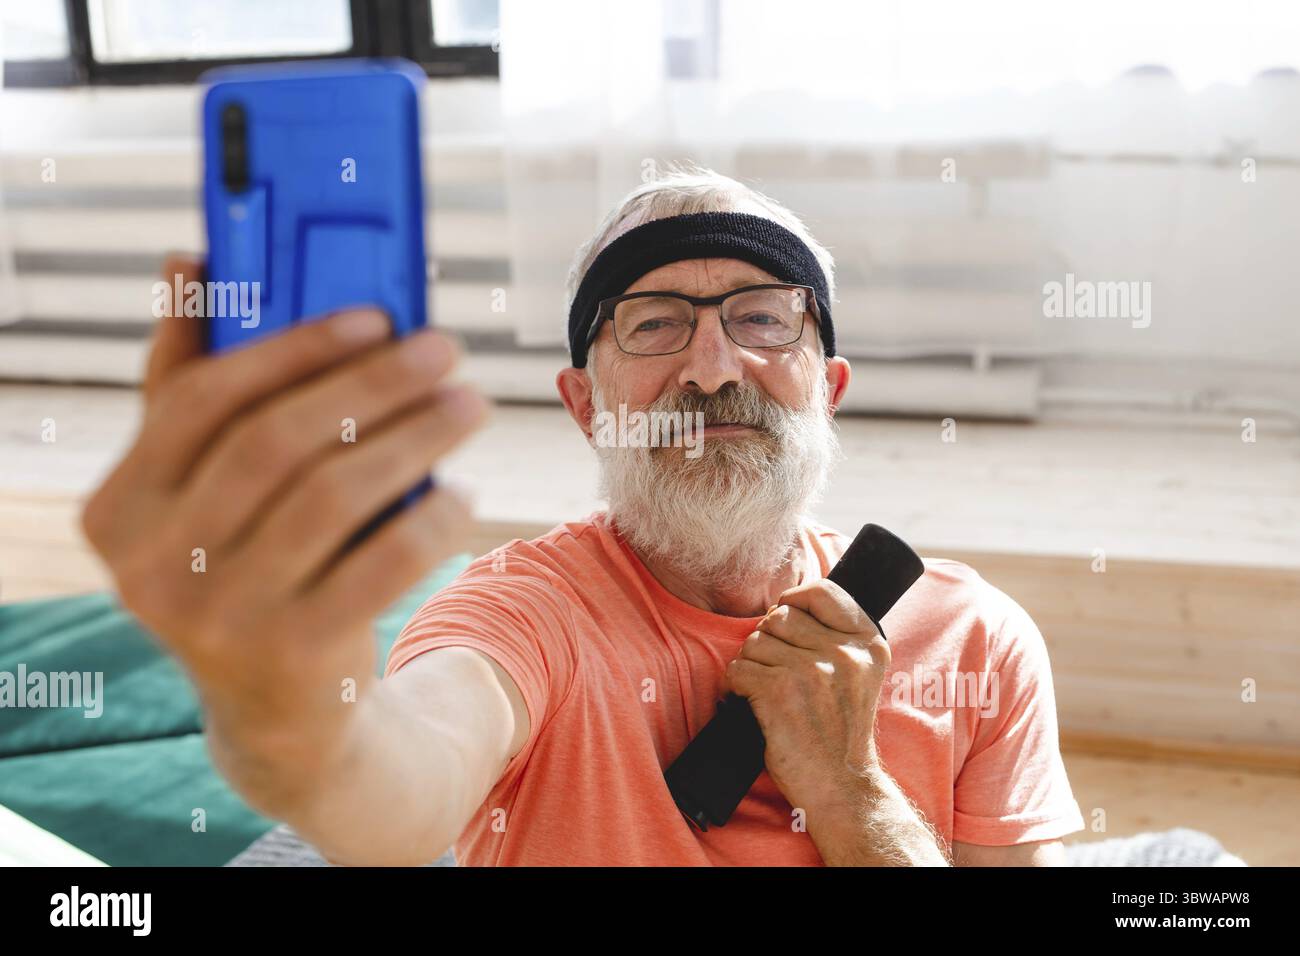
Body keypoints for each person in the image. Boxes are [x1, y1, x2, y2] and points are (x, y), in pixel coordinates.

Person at [82, 163, 1084, 866]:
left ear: (826, 385)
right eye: (653, 325)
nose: (712, 367)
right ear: (585, 407)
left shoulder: (974, 636)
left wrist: (848, 789)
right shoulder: (523, 617)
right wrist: (279, 696)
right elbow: (386, 794)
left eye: (762, 318)